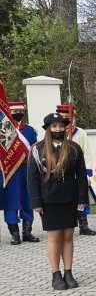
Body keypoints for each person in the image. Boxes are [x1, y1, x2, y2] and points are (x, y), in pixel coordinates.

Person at [27, 112, 88, 290]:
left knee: (68, 237)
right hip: (48, 199)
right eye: (54, 126)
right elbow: (32, 178)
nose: (58, 129)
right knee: (54, 238)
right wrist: (36, 202)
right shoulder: (37, 149)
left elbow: (81, 176)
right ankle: (56, 274)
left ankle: (68, 272)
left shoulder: (74, 148)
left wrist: (82, 199)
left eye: (61, 126)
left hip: (70, 198)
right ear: (48, 129)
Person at [56, 103, 96, 236]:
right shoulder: (55, 132)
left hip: (78, 171)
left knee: (81, 197)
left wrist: (87, 173)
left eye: (68, 117)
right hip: (60, 172)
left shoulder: (80, 133)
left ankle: (83, 225)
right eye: (62, 117)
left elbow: (87, 153)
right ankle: (64, 225)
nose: (65, 120)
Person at [4, 101, 40, 245]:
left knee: (27, 200)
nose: (18, 113)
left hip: (27, 169)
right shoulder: (4, 129)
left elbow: (35, 151)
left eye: (20, 111)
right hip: (10, 171)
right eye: (15, 111)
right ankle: (14, 234)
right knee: (11, 201)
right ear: (9, 113)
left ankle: (27, 232)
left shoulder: (30, 130)